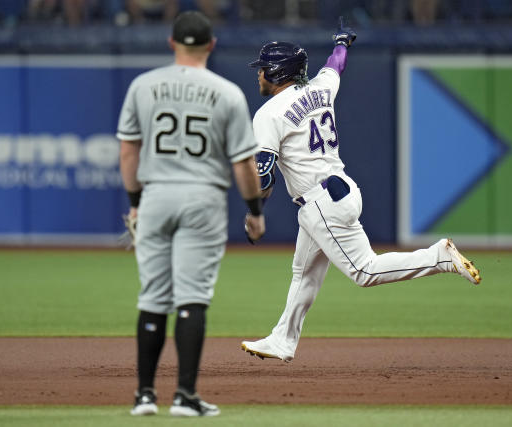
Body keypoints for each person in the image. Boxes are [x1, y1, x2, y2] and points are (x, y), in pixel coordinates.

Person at [241, 17, 481, 363]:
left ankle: (438, 257)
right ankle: (283, 340)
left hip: (321, 202)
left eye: (264, 68)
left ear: (278, 73)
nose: (259, 73)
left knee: (365, 271)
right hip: (338, 190)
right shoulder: (321, 89)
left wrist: (253, 211)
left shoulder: (268, 114)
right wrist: (342, 43)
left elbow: (263, 179)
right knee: (304, 273)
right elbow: (334, 66)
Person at [117, 10, 265, 417]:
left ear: (171, 43)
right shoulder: (228, 92)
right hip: (203, 197)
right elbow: (243, 164)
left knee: (152, 296)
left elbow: (128, 151)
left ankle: (144, 395)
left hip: (156, 194)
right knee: (192, 297)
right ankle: (184, 396)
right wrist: (254, 210)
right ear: (211, 46)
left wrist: (135, 200)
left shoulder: (142, 86)